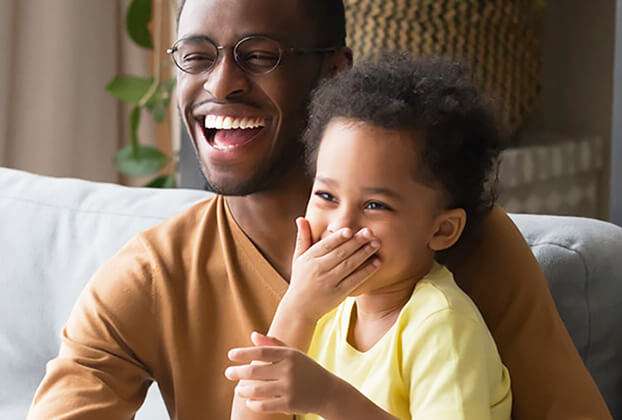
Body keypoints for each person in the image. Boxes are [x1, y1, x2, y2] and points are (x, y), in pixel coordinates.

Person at [28, 0, 611, 419]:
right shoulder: (152, 275)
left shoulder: (471, 250)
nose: (222, 84)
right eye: (196, 56)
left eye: (258, 55)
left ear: (334, 70)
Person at [225, 55, 512, 420]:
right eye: (326, 197)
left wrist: (331, 398)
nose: (341, 226)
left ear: (441, 230)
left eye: (375, 205)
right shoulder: (323, 311)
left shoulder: (442, 325)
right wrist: (296, 307)